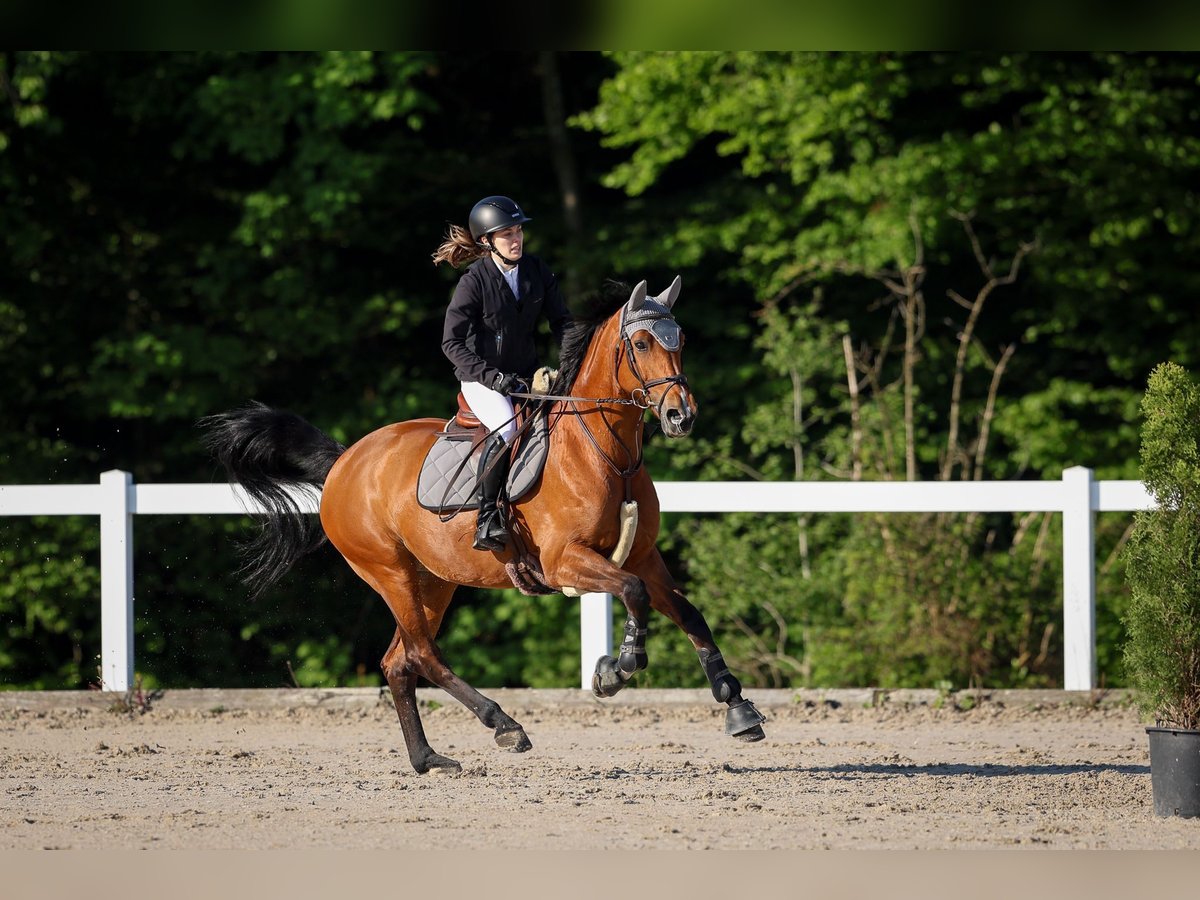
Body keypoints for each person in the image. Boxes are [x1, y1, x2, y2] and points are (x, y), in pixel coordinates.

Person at [434, 195, 572, 551]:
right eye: (506, 233)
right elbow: (451, 343)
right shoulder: (473, 282)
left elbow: (562, 323)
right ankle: (487, 517)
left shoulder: (537, 271)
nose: (516, 239)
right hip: (482, 378)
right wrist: (493, 378)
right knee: (508, 426)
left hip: (526, 375)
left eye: (518, 231)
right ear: (486, 241)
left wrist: (574, 360)